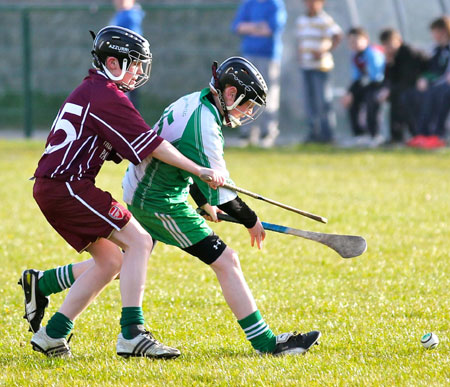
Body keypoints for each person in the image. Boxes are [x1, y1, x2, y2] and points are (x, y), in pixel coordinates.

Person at [21, 57, 321, 357]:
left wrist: (202, 201)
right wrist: (251, 220)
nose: (248, 112)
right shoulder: (201, 124)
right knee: (225, 260)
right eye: (247, 104)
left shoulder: (195, 102)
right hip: (157, 200)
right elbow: (220, 190)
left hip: (145, 189)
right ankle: (265, 344)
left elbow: (184, 157)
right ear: (230, 94)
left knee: (118, 261)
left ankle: (48, 301)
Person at [19, 26, 224, 359]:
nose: (141, 72)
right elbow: (150, 146)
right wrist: (199, 171)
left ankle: (53, 334)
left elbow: (138, 145)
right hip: (67, 186)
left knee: (112, 260)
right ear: (112, 62)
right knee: (140, 241)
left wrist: (195, 191)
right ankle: (132, 334)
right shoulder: (106, 96)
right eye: (136, 64)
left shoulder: (95, 90)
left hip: (59, 186)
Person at [231, 0, 287, 147]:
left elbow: (271, 29)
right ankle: (247, 132)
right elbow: (237, 26)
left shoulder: (274, 4)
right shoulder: (249, 3)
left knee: (267, 94)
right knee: (246, 92)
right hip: (249, 55)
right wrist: (258, 26)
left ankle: (267, 132)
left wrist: (250, 27)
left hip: (268, 56)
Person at [296, 0, 342, 144]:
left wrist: (324, 50)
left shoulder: (324, 19)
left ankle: (327, 134)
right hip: (306, 66)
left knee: (323, 101)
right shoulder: (302, 20)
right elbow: (301, 41)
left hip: (321, 67)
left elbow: (337, 35)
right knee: (310, 102)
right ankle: (313, 133)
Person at [377, 28, 429, 144]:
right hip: (404, 88)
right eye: (385, 45)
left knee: (402, 98)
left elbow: (408, 79)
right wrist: (389, 65)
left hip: (420, 87)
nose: (388, 48)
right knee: (394, 98)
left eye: (390, 44)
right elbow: (390, 79)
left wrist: (390, 90)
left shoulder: (408, 53)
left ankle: (416, 134)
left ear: (398, 41)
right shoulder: (392, 57)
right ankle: (396, 136)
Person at [406, 16, 450, 149]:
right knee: (410, 95)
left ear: (444, 31)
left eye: (436, 31)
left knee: (438, 93)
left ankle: (438, 135)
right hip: (436, 84)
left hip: (444, 85)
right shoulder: (435, 49)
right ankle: (421, 134)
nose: (433, 35)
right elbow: (431, 69)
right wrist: (423, 78)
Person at [341, 27, 385, 146]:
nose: (353, 44)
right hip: (366, 85)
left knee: (371, 99)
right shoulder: (355, 57)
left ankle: (375, 135)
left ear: (366, 40)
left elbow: (376, 77)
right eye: (350, 42)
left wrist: (356, 89)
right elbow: (356, 79)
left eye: (356, 41)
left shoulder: (372, 53)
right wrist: (349, 93)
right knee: (351, 99)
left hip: (379, 85)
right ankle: (359, 135)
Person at [110, 0, 145, 109]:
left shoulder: (130, 16)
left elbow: (132, 45)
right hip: (117, 65)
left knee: (124, 104)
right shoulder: (121, 15)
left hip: (125, 66)